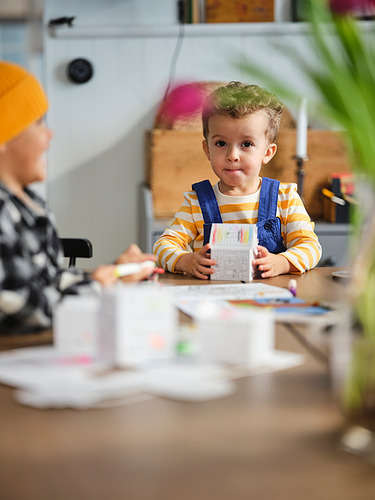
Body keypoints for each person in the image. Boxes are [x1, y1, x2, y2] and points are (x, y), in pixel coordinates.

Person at [0, 60, 155, 333]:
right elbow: (23, 307)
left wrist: (114, 274)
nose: (50, 134)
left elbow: (50, 282)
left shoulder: (29, 205)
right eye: (38, 122)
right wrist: (98, 288)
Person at [153, 81, 322, 279]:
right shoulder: (196, 203)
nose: (232, 155)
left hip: (268, 301)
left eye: (246, 144)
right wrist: (185, 261)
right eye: (221, 143)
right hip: (213, 300)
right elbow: (162, 247)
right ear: (207, 149)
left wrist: (282, 262)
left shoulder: (284, 199)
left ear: (267, 153)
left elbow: (311, 247)